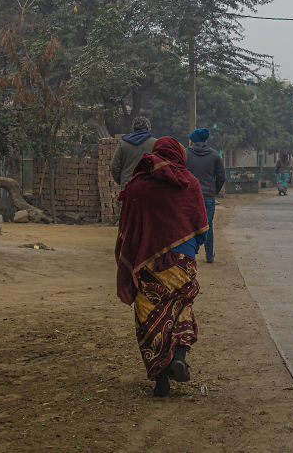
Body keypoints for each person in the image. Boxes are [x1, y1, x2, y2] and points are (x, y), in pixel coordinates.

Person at [115, 137, 208, 398]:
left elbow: (128, 228)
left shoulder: (137, 186)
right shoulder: (190, 184)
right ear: (179, 155)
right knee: (182, 306)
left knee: (150, 319)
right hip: (182, 262)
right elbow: (201, 228)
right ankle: (179, 355)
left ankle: (161, 383)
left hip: (147, 263)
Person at [186, 128, 226, 264]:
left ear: (193, 140)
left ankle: (190, 255)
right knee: (207, 225)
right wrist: (214, 190)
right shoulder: (215, 155)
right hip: (208, 196)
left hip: (190, 196)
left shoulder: (185, 154)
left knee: (189, 225)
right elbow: (221, 176)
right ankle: (209, 255)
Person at [110, 116, 157, 189]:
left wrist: (122, 181)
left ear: (133, 128)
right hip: (149, 186)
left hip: (128, 185)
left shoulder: (123, 143)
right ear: (148, 128)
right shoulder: (155, 143)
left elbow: (114, 166)